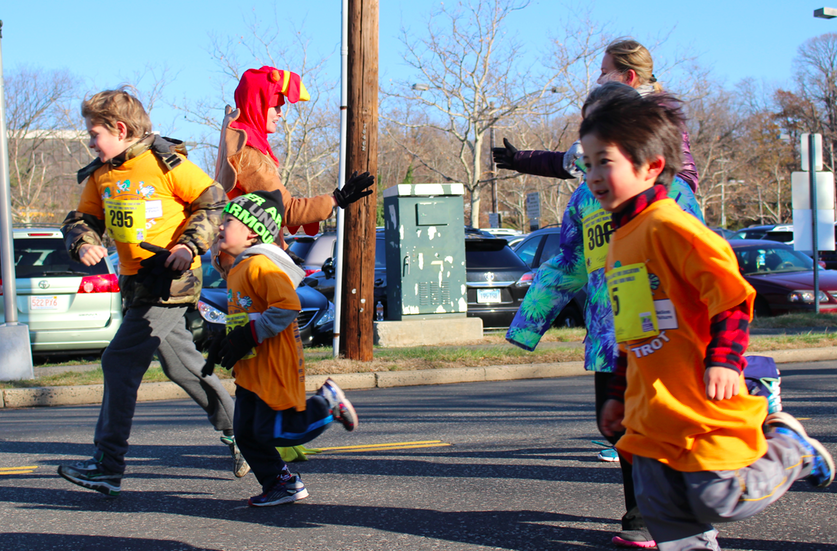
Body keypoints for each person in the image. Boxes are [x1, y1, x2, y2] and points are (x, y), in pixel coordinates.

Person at [587, 92, 834, 551]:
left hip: (695, 403)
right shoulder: (620, 240)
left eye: (605, 162)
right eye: (587, 164)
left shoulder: (671, 226)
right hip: (650, 416)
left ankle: (789, 449)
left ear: (652, 166)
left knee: (721, 500)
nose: (594, 176)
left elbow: (734, 297)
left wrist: (723, 359)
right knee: (665, 518)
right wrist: (619, 394)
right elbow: (632, 332)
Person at [500, 82, 703, 549]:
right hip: (611, 336)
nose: (591, 165)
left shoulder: (672, 195)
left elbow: (703, 266)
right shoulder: (584, 201)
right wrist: (528, 320)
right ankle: (654, 511)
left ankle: (654, 518)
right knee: (618, 426)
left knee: (660, 425)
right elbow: (569, 262)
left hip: (668, 339)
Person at [57, 89, 245, 497]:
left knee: (119, 362)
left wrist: (188, 245)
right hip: (136, 285)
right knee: (182, 366)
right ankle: (244, 435)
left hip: (171, 281)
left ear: (120, 129)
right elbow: (81, 218)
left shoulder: (165, 163)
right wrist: (84, 241)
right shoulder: (101, 173)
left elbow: (213, 202)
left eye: (94, 134)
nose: (90, 143)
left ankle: (108, 465)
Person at [201, 189, 357, 507]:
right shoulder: (238, 269)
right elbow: (247, 314)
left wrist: (248, 335)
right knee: (245, 434)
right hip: (250, 367)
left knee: (275, 431)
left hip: (273, 364)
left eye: (228, 221)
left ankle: (326, 405)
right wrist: (224, 339)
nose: (220, 226)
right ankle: (281, 484)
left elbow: (286, 307)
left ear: (251, 232)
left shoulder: (261, 265)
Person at [215, 66, 373, 243]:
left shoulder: (241, 142)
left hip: (250, 256)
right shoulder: (248, 153)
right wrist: (336, 199)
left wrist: (284, 249)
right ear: (258, 105)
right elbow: (284, 210)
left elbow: (262, 216)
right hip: (251, 260)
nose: (280, 114)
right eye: (275, 106)